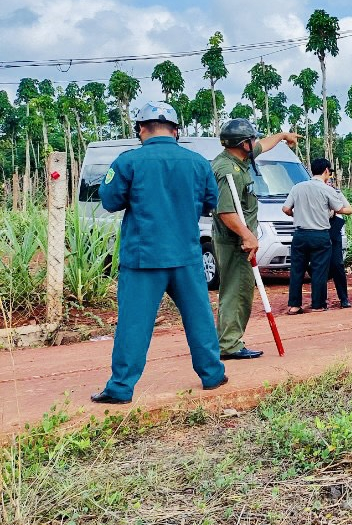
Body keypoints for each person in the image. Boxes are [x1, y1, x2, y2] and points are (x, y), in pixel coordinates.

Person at [91, 103, 227, 404]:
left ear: (140, 129)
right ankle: (212, 374)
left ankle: (120, 388)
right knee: (199, 317)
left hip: (144, 257)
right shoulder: (197, 162)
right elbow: (210, 201)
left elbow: (111, 201)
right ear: (176, 131)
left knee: (133, 323)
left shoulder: (128, 161)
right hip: (187, 254)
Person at [211, 119, 298, 360]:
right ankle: (229, 344)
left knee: (239, 289)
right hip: (235, 242)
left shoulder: (239, 158)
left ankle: (228, 340)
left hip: (241, 239)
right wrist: (248, 236)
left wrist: (282, 136)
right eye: (251, 139)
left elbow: (264, 145)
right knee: (237, 291)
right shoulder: (227, 171)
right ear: (243, 144)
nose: (255, 143)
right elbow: (226, 211)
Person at [282, 157, 351, 314]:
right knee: (319, 270)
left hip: (299, 234)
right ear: (326, 171)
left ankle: (294, 305)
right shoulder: (328, 190)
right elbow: (342, 209)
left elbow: (285, 209)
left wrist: (297, 215)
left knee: (297, 270)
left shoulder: (297, 187)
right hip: (320, 234)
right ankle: (317, 304)